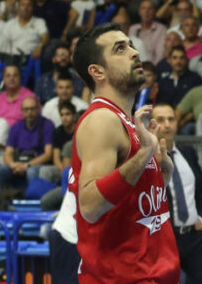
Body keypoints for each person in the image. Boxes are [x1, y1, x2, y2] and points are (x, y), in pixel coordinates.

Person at [69, 23, 179, 283]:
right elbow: (91, 206)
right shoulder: (102, 120)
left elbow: (136, 203)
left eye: (130, 44)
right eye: (120, 49)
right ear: (97, 71)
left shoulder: (128, 122)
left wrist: (163, 171)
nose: (134, 52)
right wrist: (144, 154)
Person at [150, 103, 202, 283]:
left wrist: (201, 217)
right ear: (150, 125)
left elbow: (201, 191)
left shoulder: (187, 152)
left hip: (192, 237)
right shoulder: (145, 159)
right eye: (160, 120)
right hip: (162, 239)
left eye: (171, 119)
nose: (167, 124)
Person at [0, 96, 58, 194]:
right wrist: (13, 165)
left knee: (31, 172)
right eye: (26, 109)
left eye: (32, 109)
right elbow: (8, 153)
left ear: (38, 109)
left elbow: (48, 154)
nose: (29, 112)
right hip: (18, 163)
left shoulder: (47, 125)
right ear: (21, 111)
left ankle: (33, 204)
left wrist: (27, 165)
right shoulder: (16, 127)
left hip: (37, 164)